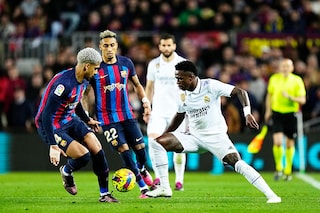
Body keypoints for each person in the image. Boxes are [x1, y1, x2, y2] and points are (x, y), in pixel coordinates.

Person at [145, 60, 281, 204]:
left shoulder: (210, 85)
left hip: (216, 137)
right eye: (176, 78)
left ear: (190, 77)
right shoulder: (181, 94)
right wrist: (166, 134)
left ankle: (272, 195)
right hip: (193, 137)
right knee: (156, 143)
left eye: (180, 78)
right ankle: (165, 188)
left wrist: (247, 113)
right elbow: (179, 116)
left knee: (238, 164)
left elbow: (240, 92)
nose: (177, 81)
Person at [35, 47, 119, 203]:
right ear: (86, 66)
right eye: (95, 68)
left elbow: (76, 100)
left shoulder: (83, 79)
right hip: (52, 125)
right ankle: (66, 171)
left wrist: (87, 120)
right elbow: (46, 114)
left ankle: (105, 194)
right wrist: (53, 145)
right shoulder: (64, 83)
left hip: (69, 119)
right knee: (84, 155)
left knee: (97, 149)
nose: (96, 72)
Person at [87, 29, 153, 198]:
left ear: (117, 46)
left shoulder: (126, 63)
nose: (109, 49)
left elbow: (137, 85)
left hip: (127, 115)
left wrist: (145, 102)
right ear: (100, 46)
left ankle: (142, 168)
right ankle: (142, 187)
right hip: (107, 119)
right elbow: (85, 94)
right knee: (124, 150)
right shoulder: (95, 68)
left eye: (112, 45)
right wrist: (87, 115)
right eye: (106, 45)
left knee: (140, 150)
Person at [144, 33, 187, 191]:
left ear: (174, 46)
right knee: (153, 141)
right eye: (164, 45)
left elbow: (189, 88)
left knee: (179, 146)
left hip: (178, 112)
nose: (166, 48)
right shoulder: (154, 64)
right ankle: (158, 177)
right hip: (158, 112)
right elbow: (149, 87)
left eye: (169, 45)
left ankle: (179, 180)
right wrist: (147, 106)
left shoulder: (182, 63)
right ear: (159, 46)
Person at [264, 58, 306, 181]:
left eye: (288, 66)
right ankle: (279, 168)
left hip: (291, 114)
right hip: (277, 113)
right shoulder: (274, 79)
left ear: (292, 68)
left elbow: (303, 100)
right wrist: (268, 110)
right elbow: (269, 95)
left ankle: (288, 170)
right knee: (277, 141)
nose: (285, 68)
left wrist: (290, 97)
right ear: (280, 67)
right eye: (283, 66)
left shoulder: (297, 80)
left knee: (289, 144)